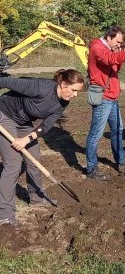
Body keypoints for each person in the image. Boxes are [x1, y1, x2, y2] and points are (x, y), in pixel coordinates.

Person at [0, 69, 85, 226]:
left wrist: (26, 139)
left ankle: (37, 197)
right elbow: (5, 81)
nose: (75, 95)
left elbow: (46, 126)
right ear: (63, 84)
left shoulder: (63, 102)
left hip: (23, 121)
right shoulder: (39, 87)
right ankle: (5, 214)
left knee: (34, 158)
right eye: (73, 90)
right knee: (13, 164)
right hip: (4, 115)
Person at [85, 26, 125, 181]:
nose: (119, 45)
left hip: (112, 97)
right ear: (109, 38)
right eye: (117, 42)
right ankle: (91, 168)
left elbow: (116, 66)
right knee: (96, 134)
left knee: (117, 130)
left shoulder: (112, 49)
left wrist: (119, 52)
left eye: (121, 44)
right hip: (103, 97)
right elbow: (110, 59)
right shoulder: (97, 48)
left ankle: (121, 160)